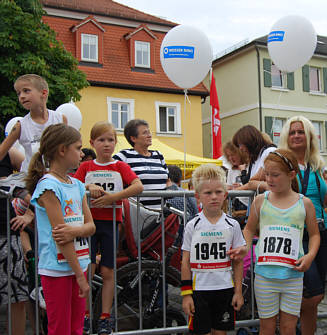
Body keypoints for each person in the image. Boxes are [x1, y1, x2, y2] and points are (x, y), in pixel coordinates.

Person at [229, 149, 320, 335]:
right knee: (267, 327)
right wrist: (245, 247)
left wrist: (310, 256)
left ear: (291, 175)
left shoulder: (305, 204)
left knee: (288, 327)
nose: (269, 179)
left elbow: (314, 235)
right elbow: (248, 228)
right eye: (267, 174)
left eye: (275, 175)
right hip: (264, 276)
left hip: (292, 277)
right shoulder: (260, 201)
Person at [74, 121, 143, 335]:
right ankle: (84, 315)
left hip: (111, 223)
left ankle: (105, 316)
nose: (106, 144)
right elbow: (72, 184)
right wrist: (88, 186)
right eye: (101, 140)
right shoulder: (86, 167)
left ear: (115, 143)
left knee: (107, 270)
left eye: (110, 140)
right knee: (88, 268)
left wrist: (114, 198)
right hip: (89, 224)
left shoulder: (119, 166)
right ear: (92, 143)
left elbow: (138, 186)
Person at [26, 123, 96, 335]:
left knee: (76, 327)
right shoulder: (48, 186)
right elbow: (60, 237)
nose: (82, 153)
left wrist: (75, 231)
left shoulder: (77, 185)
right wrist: (80, 277)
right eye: (78, 147)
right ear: (62, 150)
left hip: (79, 264)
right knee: (60, 328)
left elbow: (90, 226)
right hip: (57, 269)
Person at [181, 164, 245, 335]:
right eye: (208, 193)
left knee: (220, 332)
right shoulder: (192, 225)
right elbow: (185, 262)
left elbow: (238, 261)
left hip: (224, 289)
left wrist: (238, 291)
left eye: (218, 192)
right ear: (198, 197)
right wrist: (186, 295)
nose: (214, 197)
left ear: (225, 195)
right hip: (199, 290)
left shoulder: (232, 225)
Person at [279, 116, 327, 335]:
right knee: (312, 295)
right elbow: (260, 180)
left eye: (300, 132)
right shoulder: (281, 161)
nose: (296, 136)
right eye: (292, 132)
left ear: (309, 137)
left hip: (321, 233)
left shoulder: (316, 165)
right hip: (298, 235)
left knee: (317, 296)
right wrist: (244, 187)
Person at [0, 74, 67, 174]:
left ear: (43, 93)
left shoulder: (60, 119)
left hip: (55, 177)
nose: (22, 96)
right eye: (18, 93)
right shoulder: (20, 126)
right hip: (31, 179)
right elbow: (2, 151)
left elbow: (67, 148)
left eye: (26, 91)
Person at [0, 147, 29, 335]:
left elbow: (30, 193)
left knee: (17, 297)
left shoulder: (8, 154)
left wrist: (29, 215)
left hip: (8, 235)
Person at [113, 119, 168, 209]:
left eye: (149, 132)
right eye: (145, 133)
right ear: (133, 138)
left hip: (161, 215)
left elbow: (168, 180)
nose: (149, 135)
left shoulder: (158, 155)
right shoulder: (124, 156)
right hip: (136, 215)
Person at [232, 125, 276, 191]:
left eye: (241, 144)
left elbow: (255, 180)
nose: (240, 148)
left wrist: (235, 191)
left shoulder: (269, 151)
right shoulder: (255, 158)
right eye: (239, 146)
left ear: (249, 141)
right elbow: (251, 182)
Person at [223, 141, 248, 211]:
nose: (231, 158)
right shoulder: (231, 170)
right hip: (236, 206)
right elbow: (228, 186)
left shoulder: (249, 167)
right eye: (228, 156)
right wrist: (230, 188)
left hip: (249, 204)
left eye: (233, 154)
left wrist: (241, 188)